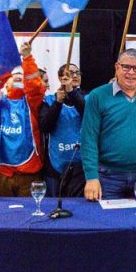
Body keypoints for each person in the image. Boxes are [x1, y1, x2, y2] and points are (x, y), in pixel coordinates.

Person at [81, 49, 136, 201]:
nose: (131, 72)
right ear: (117, 67)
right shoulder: (97, 96)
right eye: (126, 67)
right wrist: (91, 177)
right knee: (108, 218)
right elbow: (89, 139)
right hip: (108, 177)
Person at [0, 43, 46, 197]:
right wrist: (11, 63)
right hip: (1, 173)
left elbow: (35, 86)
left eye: (21, 76)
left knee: (31, 210)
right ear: (6, 82)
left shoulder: (31, 102)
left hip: (29, 173)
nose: (17, 77)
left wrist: (27, 58)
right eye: (13, 76)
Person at [39, 64, 86, 197]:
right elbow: (45, 127)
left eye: (77, 73)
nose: (75, 75)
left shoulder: (89, 98)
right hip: (55, 165)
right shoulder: (49, 100)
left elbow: (88, 114)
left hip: (81, 166)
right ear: (61, 78)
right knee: (53, 205)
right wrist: (58, 103)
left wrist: (71, 92)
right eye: (70, 73)